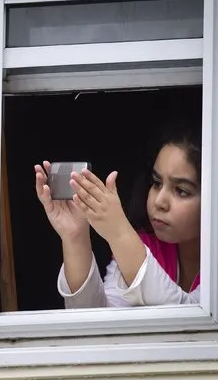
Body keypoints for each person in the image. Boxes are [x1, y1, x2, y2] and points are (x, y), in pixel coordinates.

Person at [34, 125, 201, 308]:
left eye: (181, 191)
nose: (159, 201)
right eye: (157, 183)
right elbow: (98, 323)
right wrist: (75, 237)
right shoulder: (146, 246)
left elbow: (189, 315)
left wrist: (119, 233)